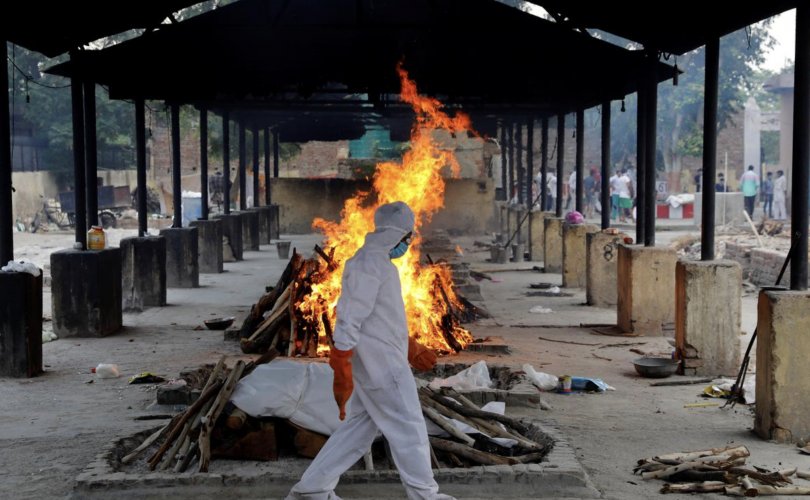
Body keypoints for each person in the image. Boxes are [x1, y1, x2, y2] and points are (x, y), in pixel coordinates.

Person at [286, 201, 453, 500]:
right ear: (399, 234)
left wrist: (409, 346)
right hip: (382, 367)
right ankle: (426, 496)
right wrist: (342, 359)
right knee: (410, 428)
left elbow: (378, 316)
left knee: (358, 432)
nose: (408, 244)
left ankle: (311, 490)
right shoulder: (370, 263)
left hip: (380, 360)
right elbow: (350, 316)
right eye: (408, 237)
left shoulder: (376, 262)